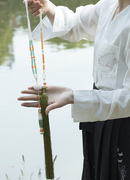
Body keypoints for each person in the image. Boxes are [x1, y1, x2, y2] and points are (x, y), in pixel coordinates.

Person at [18, 0, 130, 179]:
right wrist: (50, 9)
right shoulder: (108, 5)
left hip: (124, 125)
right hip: (99, 115)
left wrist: (75, 97)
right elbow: (77, 24)